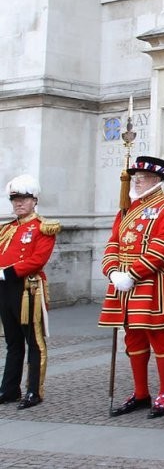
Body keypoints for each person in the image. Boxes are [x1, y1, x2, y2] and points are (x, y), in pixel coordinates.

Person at [100, 156, 164, 419]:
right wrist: (113, 270)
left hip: (153, 281)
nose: (137, 181)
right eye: (135, 176)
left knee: (159, 337)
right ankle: (140, 393)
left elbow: (163, 247)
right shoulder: (126, 208)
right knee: (133, 337)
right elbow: (113, 242)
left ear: (158, 180)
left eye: (144, 177)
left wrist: (133, 273)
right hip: (123, 283)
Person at [0, 175, 59, 409]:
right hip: (5, 288)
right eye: (15, 199)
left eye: (23, 199)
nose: (18, 203)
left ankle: (34, 390)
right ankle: (10, 388)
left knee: (34, 341)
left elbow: (37, 259)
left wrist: (7, 272)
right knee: (13, 342)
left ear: (34, 200)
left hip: (28, 288)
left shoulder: (43, 227)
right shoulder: (7, 229)